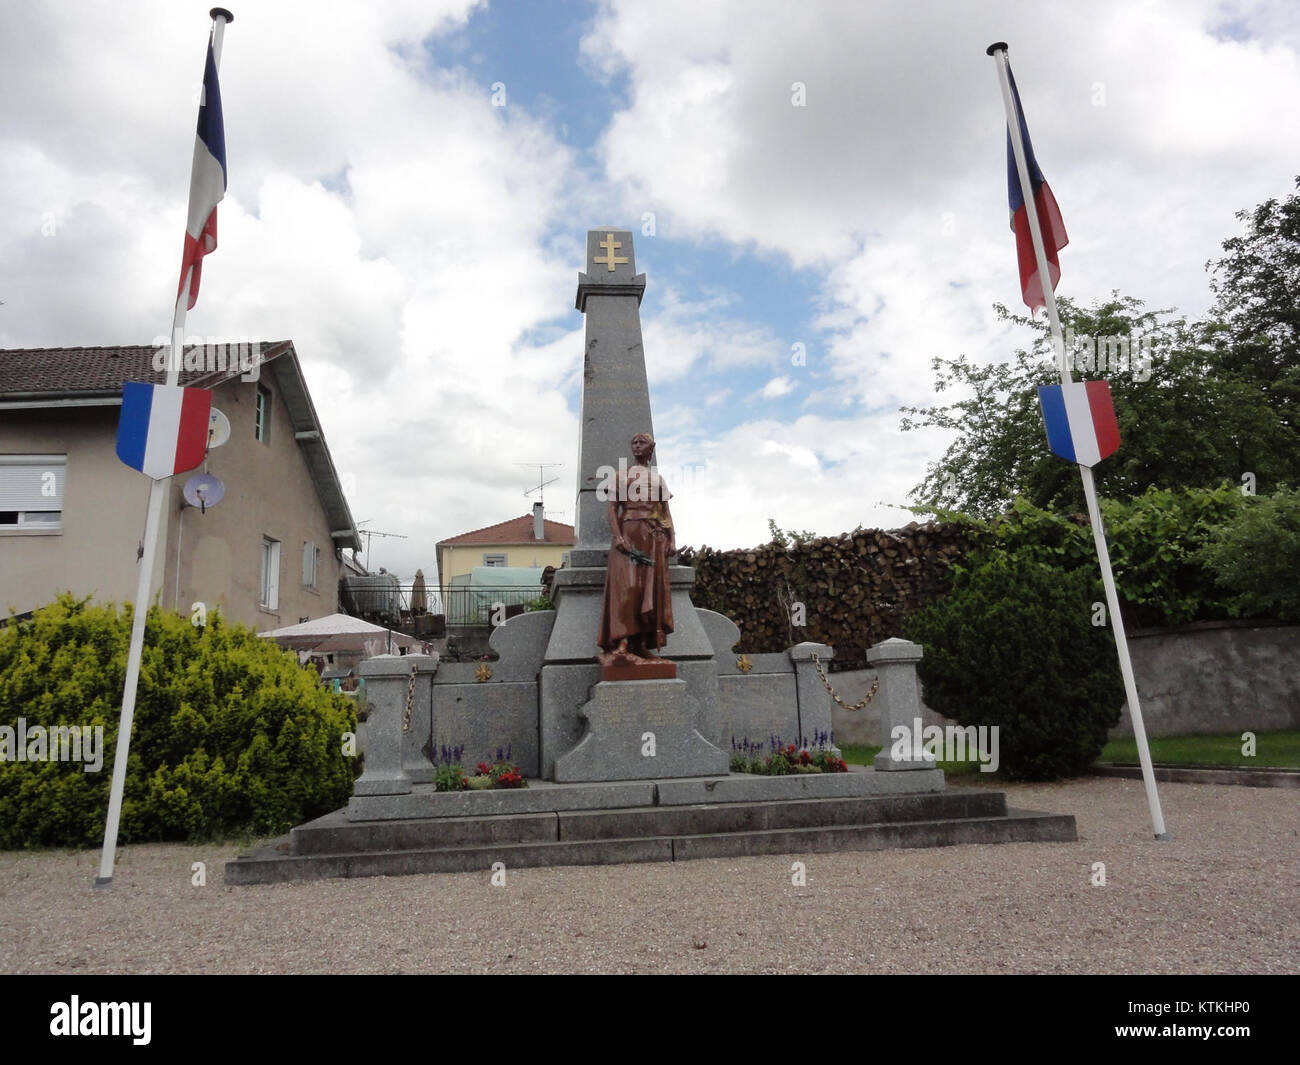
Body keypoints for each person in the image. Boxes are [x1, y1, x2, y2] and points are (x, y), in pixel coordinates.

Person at [597, 432, 675, 663]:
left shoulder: (658, 479)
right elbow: (612, 509)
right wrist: (618, 536)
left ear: (651, 448)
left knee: (648, 591)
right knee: (628, 589)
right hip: (629, 533)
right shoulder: (622, 475)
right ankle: (621, 642)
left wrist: (672, 538)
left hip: (653, 537)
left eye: (642, 443)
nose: (637, 446)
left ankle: (641, 645)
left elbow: (665, 512)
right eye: (634, 443)